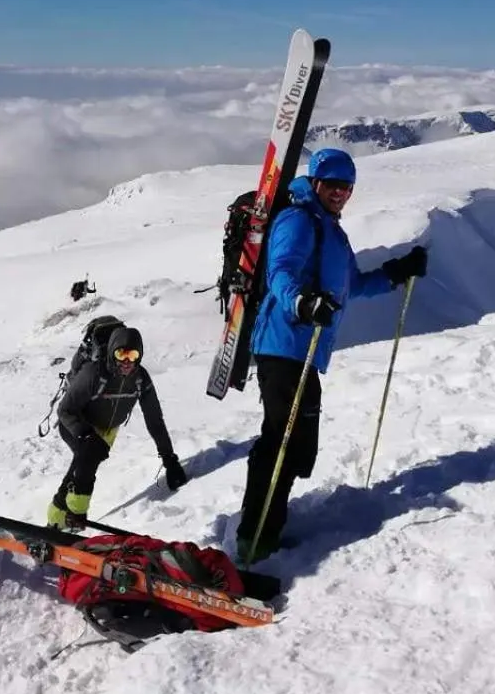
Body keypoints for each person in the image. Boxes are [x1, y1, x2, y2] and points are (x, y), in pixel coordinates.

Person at [235, 147, 428, 561]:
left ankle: (267, 525)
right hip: (281, 343)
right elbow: (281, 271)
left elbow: (350, 286)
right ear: (316, 182)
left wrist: (396, 272)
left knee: (298, 445)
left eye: (347, 187)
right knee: (282, 440)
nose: (340, 192)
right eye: (333, 185)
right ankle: (255, 538)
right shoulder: (298, 219)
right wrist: (302, 302)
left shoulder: (332, 232)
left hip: (305, 351)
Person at [47, 324, 190, 530]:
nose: (126, 361)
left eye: (133, 355)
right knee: (88, 456)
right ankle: (74, 515)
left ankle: (58, 520)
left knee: (81, 466)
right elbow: (65, 409)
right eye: (121, 354)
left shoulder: (140, 379)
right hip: (75, 422)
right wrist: (85, 433)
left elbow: (154, 420)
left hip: (107, 429)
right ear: (112, 352)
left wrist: (170, 460)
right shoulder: (93, 373)